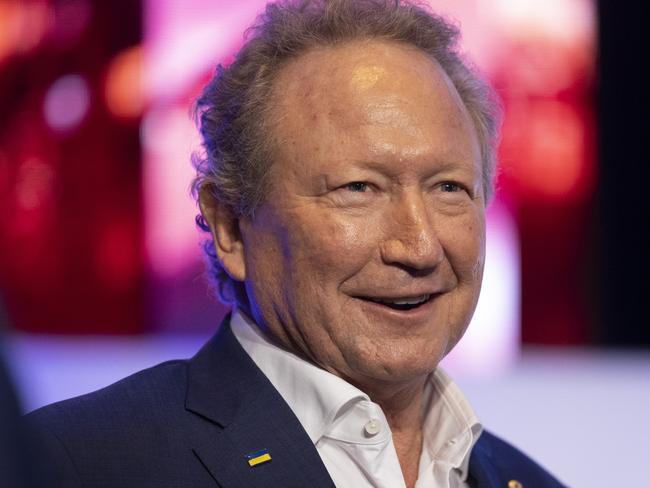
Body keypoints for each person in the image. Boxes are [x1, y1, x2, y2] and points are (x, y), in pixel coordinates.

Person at [27, 1, 566, 487]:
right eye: (359, 189)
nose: (420, 247)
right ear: (231, 226)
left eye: (449, 188)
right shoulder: (73, 465)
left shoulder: (527, 481)